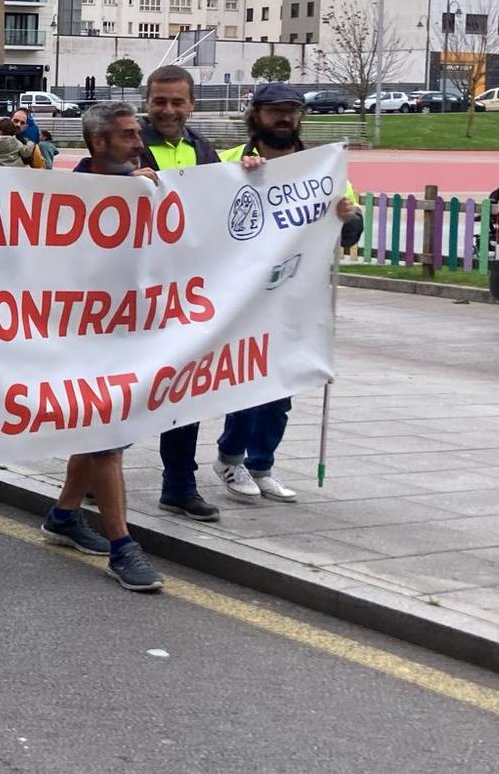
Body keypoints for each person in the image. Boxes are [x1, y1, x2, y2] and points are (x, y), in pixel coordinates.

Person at [213, 83, 364, 504]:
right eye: (275, 110)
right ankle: (230, 457)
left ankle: (263, 464)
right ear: (255, 114)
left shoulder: (321, 168)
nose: (284, 118)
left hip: (297, 293)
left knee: (282, 388)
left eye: (292, 111)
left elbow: (351, 229)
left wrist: (348, 218)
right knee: (245, 382)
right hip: (244, 295)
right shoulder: (231, 161)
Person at [41, 101, 166, 592]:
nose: (140, 143)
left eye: (138, 134)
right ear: (98, 144)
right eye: (129, 136)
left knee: (99, 432)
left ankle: (63, 516)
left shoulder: (145, 188)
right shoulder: (66, 194)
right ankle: (122, 547)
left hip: (126, 332)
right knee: (106, 433)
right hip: (76, 334)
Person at [135, 66, 225, 523]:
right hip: (131, 296)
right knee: (121, 392)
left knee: (184, 391)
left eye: (177, 102)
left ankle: (179, 485)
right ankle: (91, 475)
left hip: (185, 294)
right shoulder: (126, 143)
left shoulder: (203, 150)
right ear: (146, 100)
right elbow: (90, 186)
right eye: (159, 101)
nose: (168, 110)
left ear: (191, 104)